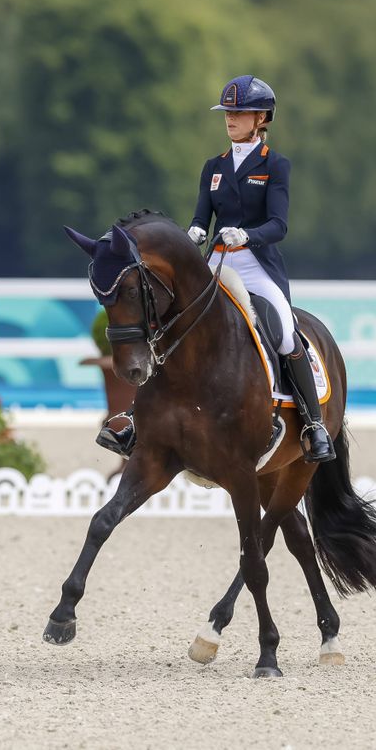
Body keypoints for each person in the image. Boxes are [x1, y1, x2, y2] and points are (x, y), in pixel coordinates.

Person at [96, 75, 335, 463]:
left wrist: (247, 235)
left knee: (285, 334)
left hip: (255, 264)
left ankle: (313, 424)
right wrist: (193, 231)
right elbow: (201, 217)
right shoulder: (214, 166)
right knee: (167, 328)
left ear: (261, 118)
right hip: (215, 263)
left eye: (239, 113)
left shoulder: (275, 165)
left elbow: (279, 225)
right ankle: (137, 420)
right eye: (227, 113)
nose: (230, 119)